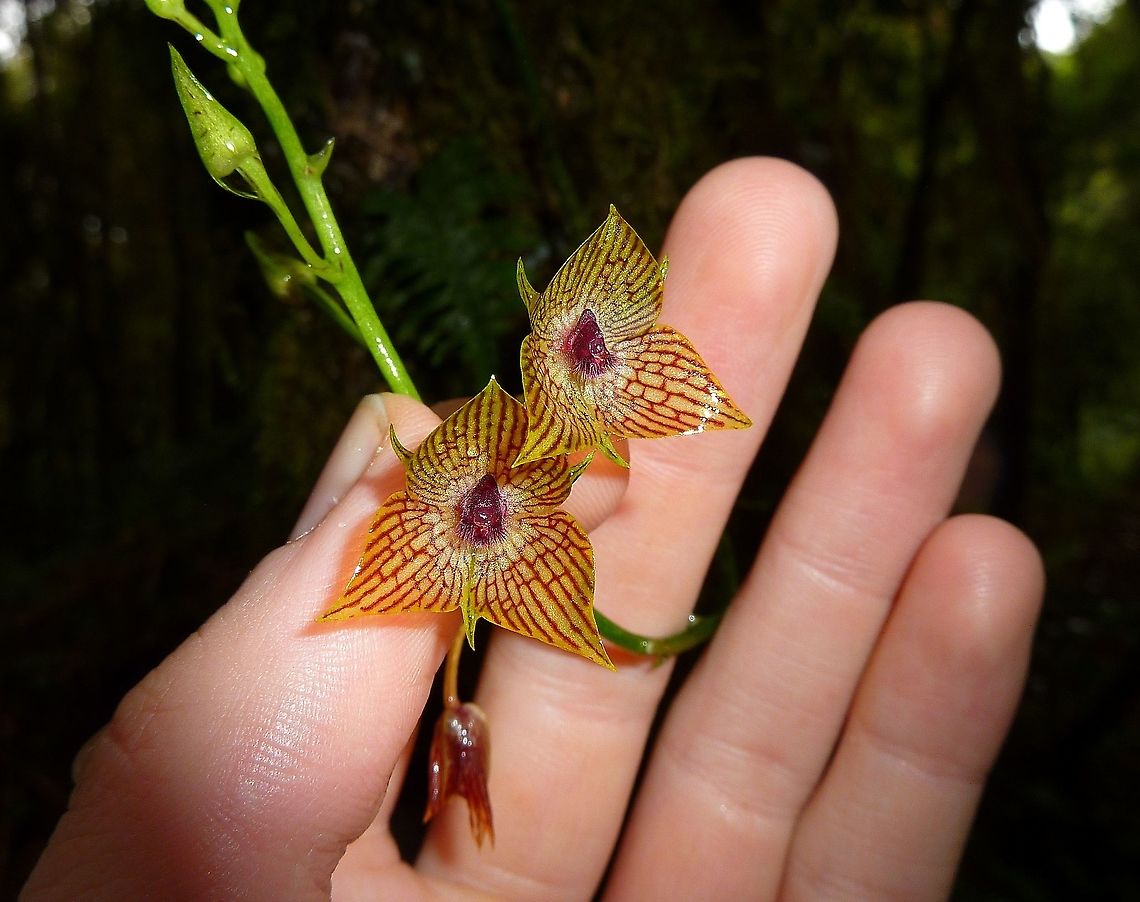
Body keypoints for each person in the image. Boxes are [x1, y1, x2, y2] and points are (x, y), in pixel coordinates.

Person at [23, 158, 1043, 900]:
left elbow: (619, 422)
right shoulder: (513, 434)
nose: (590, 345)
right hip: (478, 507)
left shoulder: (573, 395)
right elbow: (449, 503)